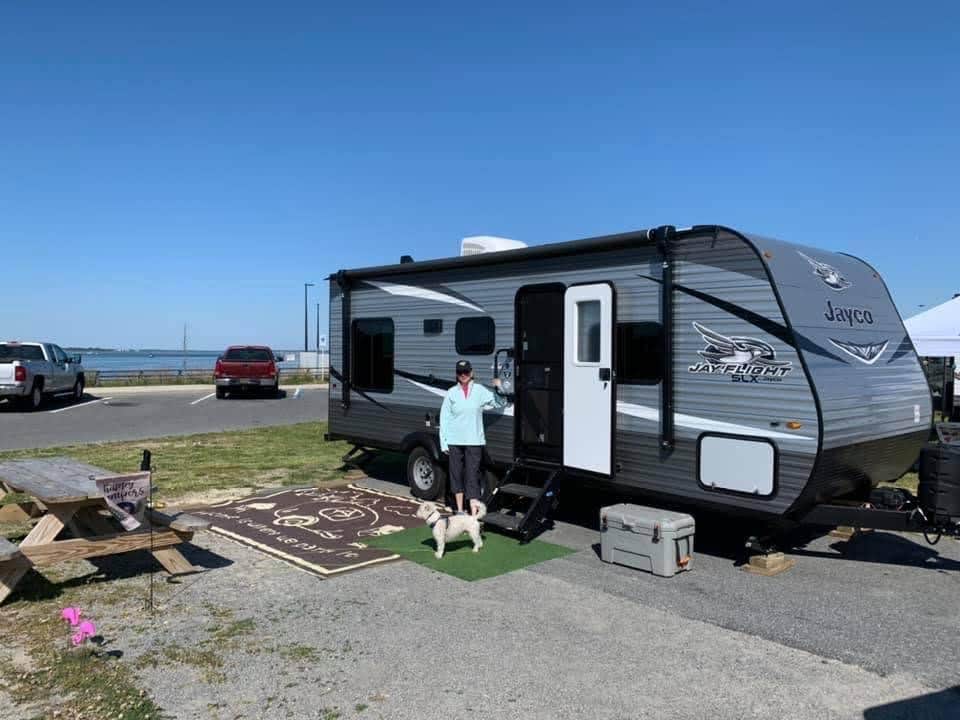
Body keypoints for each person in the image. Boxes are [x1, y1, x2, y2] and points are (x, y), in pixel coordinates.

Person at [439, 359, 509, 515]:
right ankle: (459, 511)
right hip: (454, 441)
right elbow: (444, 419)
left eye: (466, 372)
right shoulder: (451, 392)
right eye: (460, 372)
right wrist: (444, 443)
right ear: (456, 374)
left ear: (471, 373)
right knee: (456, 475)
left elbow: (500, 402)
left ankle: (474, 514)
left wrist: (500, 387)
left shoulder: (480, 390)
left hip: (474, 441)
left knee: (472, 476)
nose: (463, 375)